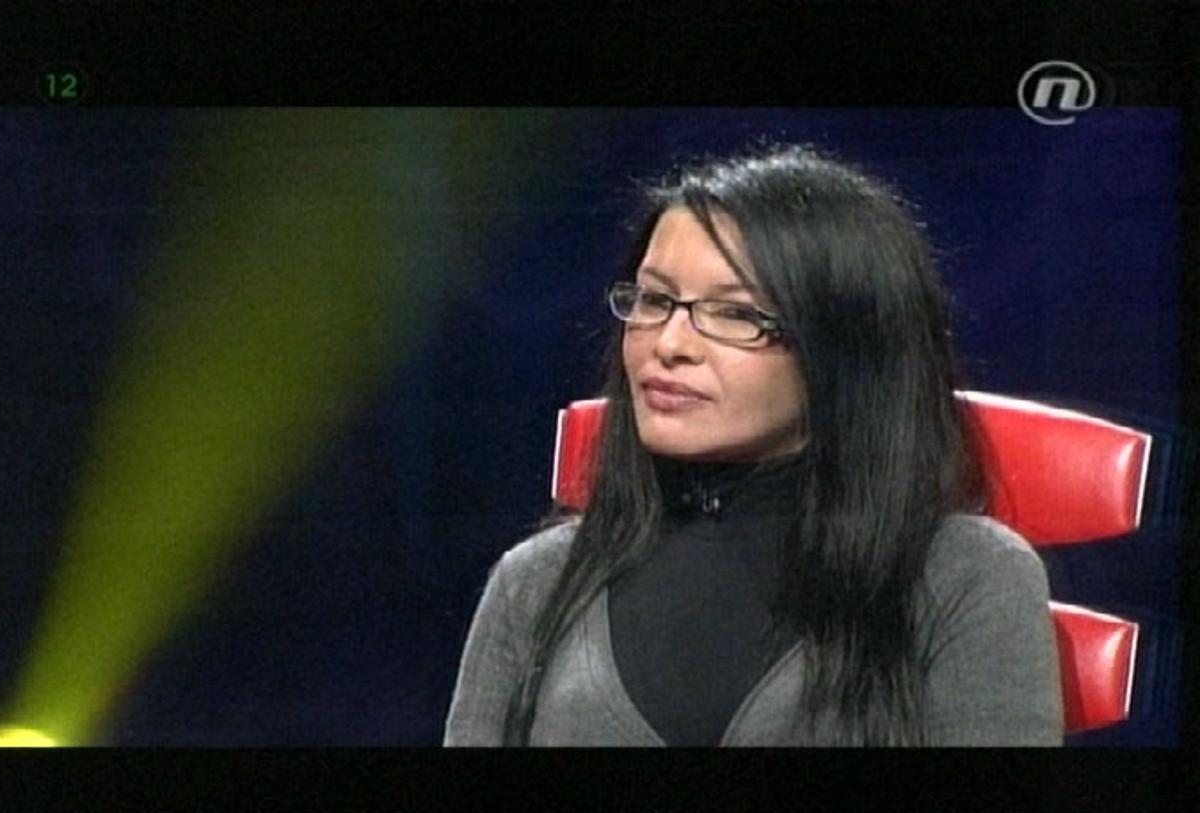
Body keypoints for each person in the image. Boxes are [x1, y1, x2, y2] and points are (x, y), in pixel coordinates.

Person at [444, 142, 1063, 746]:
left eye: (735, 314)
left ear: (843, 350)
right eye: (655, 300)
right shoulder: (537, 582)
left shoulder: (966, 576)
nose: (669, 344)